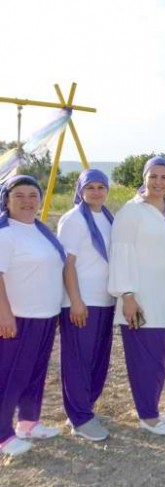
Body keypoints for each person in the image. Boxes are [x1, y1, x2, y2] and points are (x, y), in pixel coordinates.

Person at [108, 156, 165, 436]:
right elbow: (120, 255)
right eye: (153, 176)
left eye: (164, 177)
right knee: (145, 359)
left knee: (162, 357)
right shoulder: (131, 212)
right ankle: (147, 415)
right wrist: (127, 295)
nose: (158, 182)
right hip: (143, 299)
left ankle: (151, 405)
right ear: (144, 178)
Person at [0, 175, 65, 456]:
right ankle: (3, 435)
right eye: (19, 196)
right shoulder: (5, 233)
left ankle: (29, 421)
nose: (27, 201)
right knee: (9, 376)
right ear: (7, 200)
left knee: (35, 372)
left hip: (45, 316)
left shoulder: (40, 230)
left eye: (32, 195)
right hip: (18, 317)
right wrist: (4, 314)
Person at [57, 169, 117, 441]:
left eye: (100, 187)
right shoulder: (73, 220)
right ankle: (79, 417)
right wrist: (76, 301)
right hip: (81, 302)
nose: (96, 192)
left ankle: (86, 408)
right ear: (80, 190)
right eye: (90, 187)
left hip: (104, 300)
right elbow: (67, 264)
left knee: (97, 359)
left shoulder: (107, 217)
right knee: (78, 360)